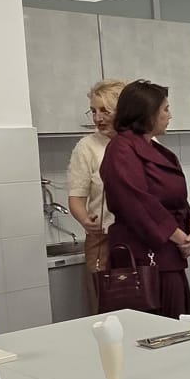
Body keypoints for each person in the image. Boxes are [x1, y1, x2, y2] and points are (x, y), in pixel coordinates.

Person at [99, 80, 190, 318]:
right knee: (161, 329)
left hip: (169, 256)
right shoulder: (121, 149)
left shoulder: (156, 150)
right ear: (147, 113)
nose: (169, 115)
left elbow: (176, 197)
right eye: (165, 109)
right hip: (144, 260)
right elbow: (137, 203)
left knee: (179, 323)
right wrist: (181, 238)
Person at [68, 79, 126, 311]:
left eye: (105, 111)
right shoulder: (87, 147)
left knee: (144, 302)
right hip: (103, 239)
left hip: (139, 237)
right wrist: (85, 220)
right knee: (104, 307)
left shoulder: (145, 141)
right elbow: (76, 197)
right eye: (93, 111)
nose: (97, 118)